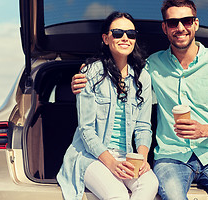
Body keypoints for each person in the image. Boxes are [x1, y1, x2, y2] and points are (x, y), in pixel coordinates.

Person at [71, 0, 208, 200]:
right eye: (173, 23)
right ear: (165, 28)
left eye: (187, 21)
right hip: (171, 157)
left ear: (196, 24)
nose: (180, 28)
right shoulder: (150, 67)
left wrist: (203, 130)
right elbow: (119, 70)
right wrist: (82, 74)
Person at [57, 11, 159, 200]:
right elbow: (86, 130)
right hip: (91, 156)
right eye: (118, 33)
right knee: (117, 194)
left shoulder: (143, 78)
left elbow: (144, 126)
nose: (125, 38)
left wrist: (142, 158)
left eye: (131, 34)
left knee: (150, 184)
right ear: (106, 38)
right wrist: (111, 163)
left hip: (128, 156)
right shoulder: (90, 73)